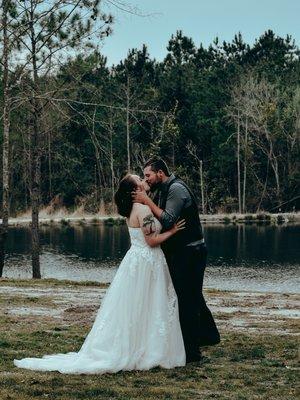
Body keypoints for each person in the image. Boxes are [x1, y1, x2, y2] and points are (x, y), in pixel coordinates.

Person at [13, 174, 186, 374]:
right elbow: (152, 241)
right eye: (139, 179)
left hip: (138, 261)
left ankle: (144, 347)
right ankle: (148, 350)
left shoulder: (132, 209)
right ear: (135, 190)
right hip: (147, 261)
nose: (143, 179)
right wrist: (172, 231)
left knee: (139, 305)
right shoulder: (143, 209)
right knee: (148, 303)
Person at [132, 158, 220, 362]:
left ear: (160, 173)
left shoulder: (176, 189)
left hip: (190, 252)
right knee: (193, 296)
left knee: (187, 301)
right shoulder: (161, 189)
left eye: (148, 175)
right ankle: (208, 336)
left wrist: (147, 201)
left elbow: (169, 219)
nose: (147, 179)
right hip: (179, 253)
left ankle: (192, 353)